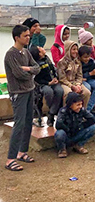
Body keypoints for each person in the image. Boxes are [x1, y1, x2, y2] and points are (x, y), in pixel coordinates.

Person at [4, 24, 40, 171]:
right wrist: (30, 72)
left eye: (28, 35)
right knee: (18, 124)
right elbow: (19, 75)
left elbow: (37, 68)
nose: (28, 37)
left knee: (28, 122)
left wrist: (29, 70)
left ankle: (22, 152)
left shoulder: (26, 52)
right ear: (16, 37)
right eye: (25, 35)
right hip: (18, 93)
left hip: (30, 90)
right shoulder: (11, 54)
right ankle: (10, 159)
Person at [54, 92, 95, 158]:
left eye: (81, 104)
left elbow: (92, 120)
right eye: (78, 105)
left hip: (77, 133)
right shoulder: (63, 111)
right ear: (70, 105)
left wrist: (81, 126)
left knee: (94, 128)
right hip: (67, 136)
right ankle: (62, 149)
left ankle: (79, 145)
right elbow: (58, 124)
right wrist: (67, 129)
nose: (80, 106)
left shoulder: (82, 110)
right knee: (59, 133)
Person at [30, 45, 63, 127]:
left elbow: (53, 69)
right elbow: (37, 79)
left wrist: (56, 78)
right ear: (39, 53)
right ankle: (53, 111)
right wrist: (48, 83)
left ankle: (51, 113)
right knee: (48, 92)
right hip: (43, 84)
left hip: (53, 82)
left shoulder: (47, 59)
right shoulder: (36, 64)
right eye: (39, 48)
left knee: (60, 91)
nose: (42, 47)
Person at [57, 41, 91, 108]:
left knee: (86, 93)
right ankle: (66, 113)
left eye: (76, 49)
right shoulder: (62, 62)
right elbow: (62, 78)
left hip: (75, 82)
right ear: (68, 50)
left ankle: (82, 112)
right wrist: (72, 86)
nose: (75, 51)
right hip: (65, 83)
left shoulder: (77, 61)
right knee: (68, 93)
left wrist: (78, 84)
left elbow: (79, 75)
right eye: (73, 49)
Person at [79, 46, 95, 117]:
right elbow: (79, 75)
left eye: (88, 57)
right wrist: (89, 74)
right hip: (80, 81)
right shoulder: (77, 63)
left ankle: (89, 109)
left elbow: (93, 74)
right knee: (87, 88)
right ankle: (84, 109)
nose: (87, 59)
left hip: (89, 79)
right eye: (85, 57)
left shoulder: (91, 61)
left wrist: (94, 73)